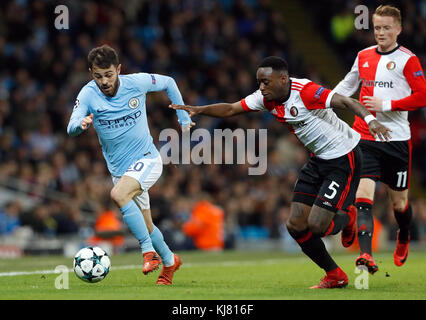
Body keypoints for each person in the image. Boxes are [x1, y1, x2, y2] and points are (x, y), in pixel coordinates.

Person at [171, 56, 392, 288]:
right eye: (259, 82)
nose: (261, 87)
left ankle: (348, 216)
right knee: (295, 225)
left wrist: (370, 120)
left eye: (266, 82)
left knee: (317, 226)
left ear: (283, 79)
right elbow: (230, 109)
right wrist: (199, 109)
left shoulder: (306, 91)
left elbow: (346, 102)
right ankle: (335, 275)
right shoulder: (265, 99)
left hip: (343, 157)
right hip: (318, 160)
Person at [67, 45, 195, 285]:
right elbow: (71, 126)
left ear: (118, 69)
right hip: (120, 171)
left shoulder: (136, 83)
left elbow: (168, 82)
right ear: (90, 73)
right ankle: (170, 261)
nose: (104, 81)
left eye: (108, 74)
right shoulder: (87, 95)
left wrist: (183, 116)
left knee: (118, 194)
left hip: (147, 158)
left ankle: (148, 252)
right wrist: (80, 125)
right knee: (146, 225)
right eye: (97, 76)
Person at [333, 5, 426, 274]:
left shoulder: (408, 60)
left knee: (399, 204)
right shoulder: (363, 56)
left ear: (398, 29)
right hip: (365, 136)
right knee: (363, 197)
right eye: (377, 28)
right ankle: (366, 255)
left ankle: (405, 234)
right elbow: (347, 86)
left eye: (387, 28)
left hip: (397, 141)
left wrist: (386, 104)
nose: (381, 33)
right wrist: (322, 100)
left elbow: (421, 96)